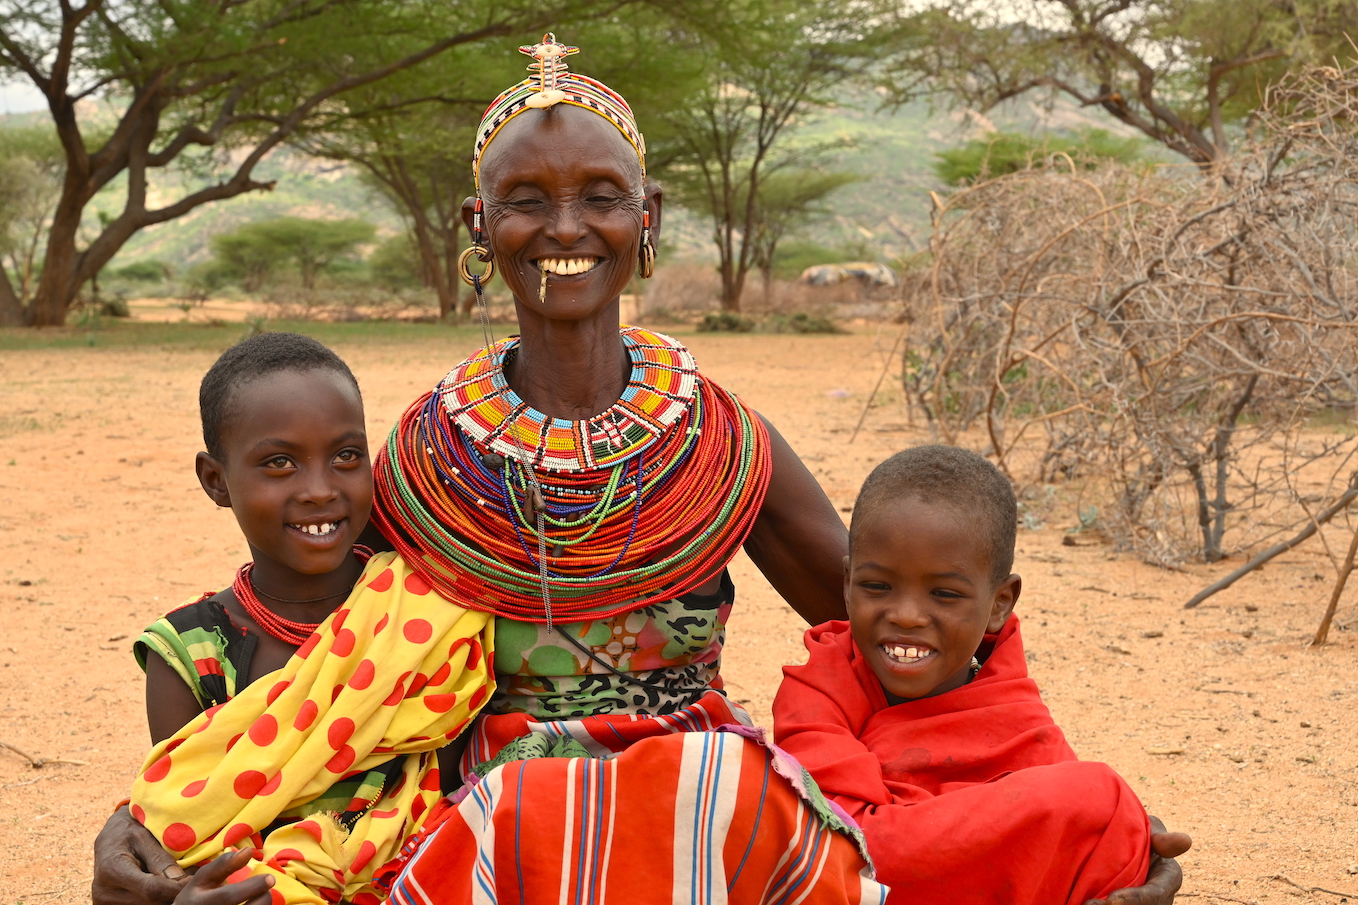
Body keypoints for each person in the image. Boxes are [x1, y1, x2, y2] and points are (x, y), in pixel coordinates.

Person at [91, 34, 1185, 905]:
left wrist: (1059, 824)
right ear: (481, 224)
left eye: (600, 195)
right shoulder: (428, 459)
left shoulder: (719, 440)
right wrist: (145, 817)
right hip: (490, 811)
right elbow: (331, 677)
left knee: (726, 802)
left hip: (704, 795)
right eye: (526, 198)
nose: (564, 225)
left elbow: (905, 634)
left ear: (645, 221)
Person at [127, 333, 494, 905]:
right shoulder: (190, 653)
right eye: (280, 463)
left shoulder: (423, 609)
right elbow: (192, 827)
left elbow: (451, 799)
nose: (320, 490)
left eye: (346, 456)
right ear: (215, 480)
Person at [773, 446, 1193, 905]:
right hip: (863, 885)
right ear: (847, 586)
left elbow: (1065, 833)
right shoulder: (819, 687)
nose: (908, 616)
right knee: (1098, 798)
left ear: (999, 604)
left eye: (945, 594)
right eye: (877, 586)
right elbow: (840, 842)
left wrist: (1121, 839)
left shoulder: (1008, 701)